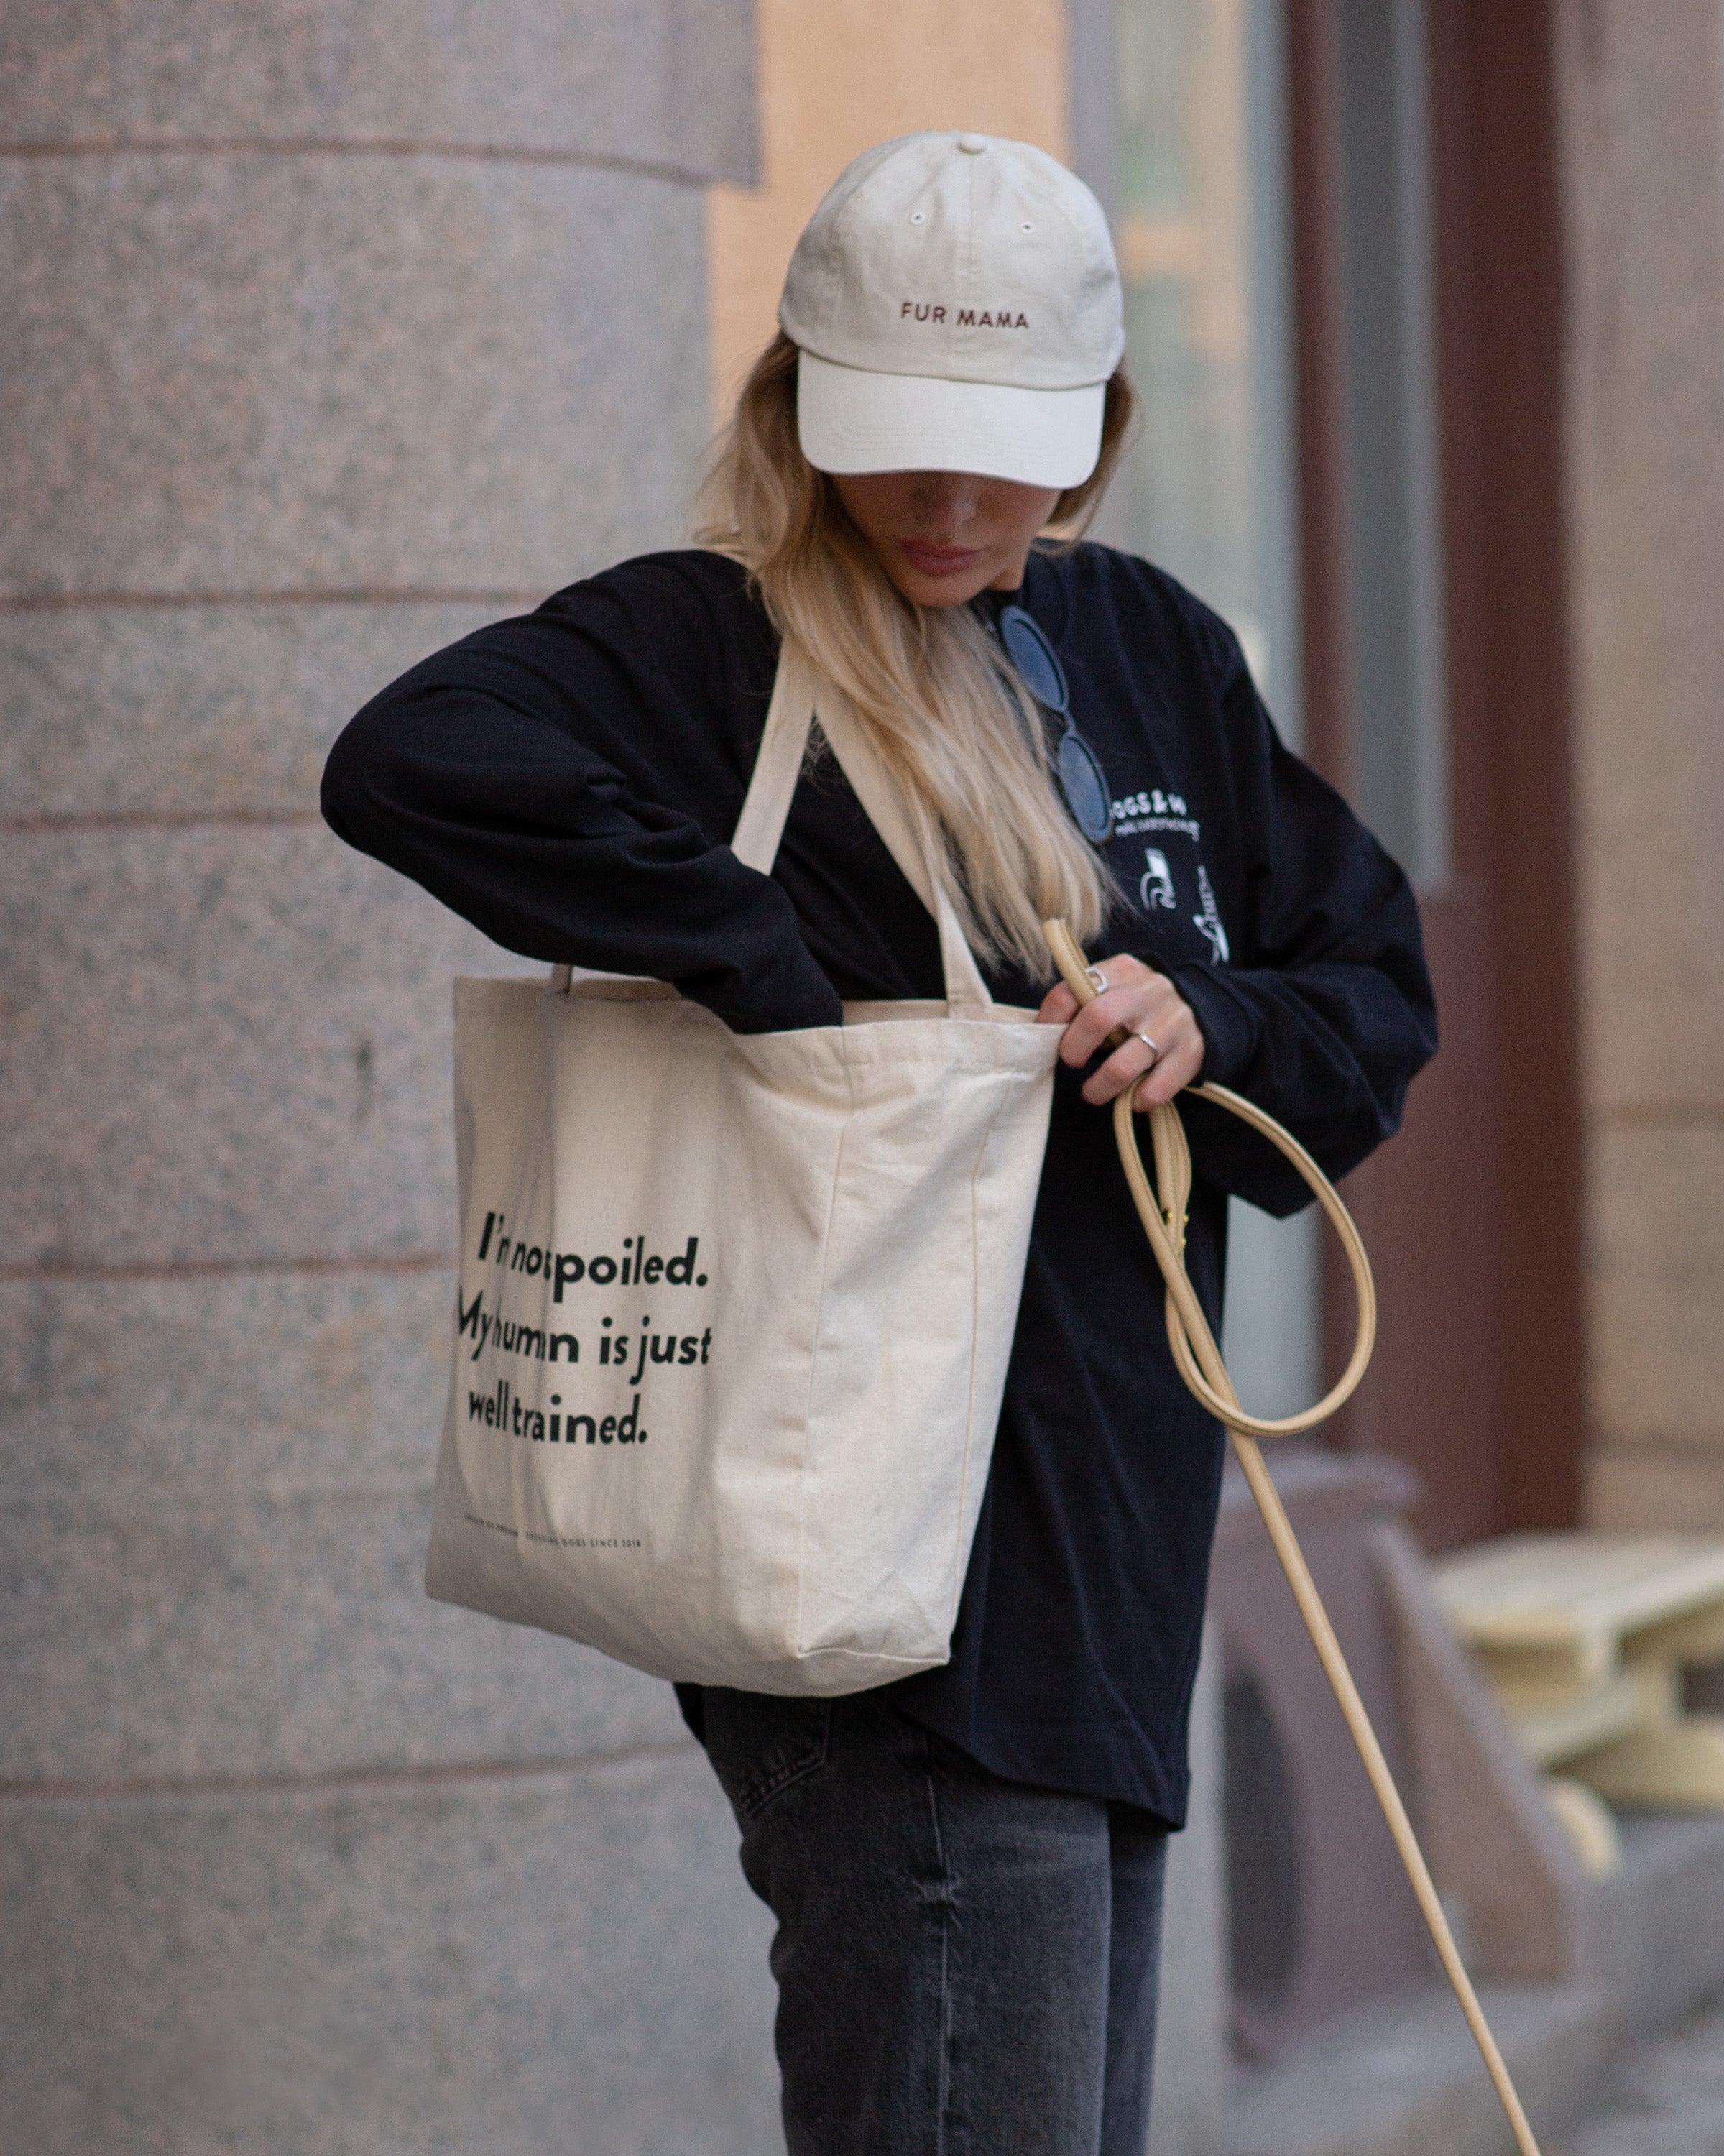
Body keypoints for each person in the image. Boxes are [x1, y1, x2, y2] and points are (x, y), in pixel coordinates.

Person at [322, 129, 1434, 2156]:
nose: (946, 499)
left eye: (1004, 447)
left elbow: (1365, 972)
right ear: (798, 409)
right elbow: (411, 759)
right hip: (877, 1587)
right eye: (896, 439)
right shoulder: (705, 642)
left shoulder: (1147, 648)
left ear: (1096, 425)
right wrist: (767, 969)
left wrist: (1214, 1018)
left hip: (1109, 1532)